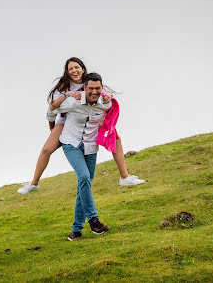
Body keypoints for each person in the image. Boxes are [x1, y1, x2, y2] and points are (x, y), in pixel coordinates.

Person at [17, 57, 144, 195]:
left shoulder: (90, 82)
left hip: (89, 119)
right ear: (67, 71)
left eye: (77, 67)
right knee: (47, 149)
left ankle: (124, 177)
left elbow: (106, 92)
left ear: (83, 69)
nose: (74, 70)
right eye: (70, 68)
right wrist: (53, 129)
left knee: (116, 138)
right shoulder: (62, 88)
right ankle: (34, 183)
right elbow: (51, 111)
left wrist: (109, 95)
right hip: (67, 120)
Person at [54, 72, 110, 240]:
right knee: (84, 177)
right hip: (71, 143)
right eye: (91, 88)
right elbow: (52, 108)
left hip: (91, 146)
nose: (94, 92)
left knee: (84, 185)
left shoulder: (105, 104)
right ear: (85, 88)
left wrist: (110, 97)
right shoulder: (73, 102)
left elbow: (111, 115)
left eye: (97, 88)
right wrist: (66, 95)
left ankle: (76, 230)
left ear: (102, 88)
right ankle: (94, 221)